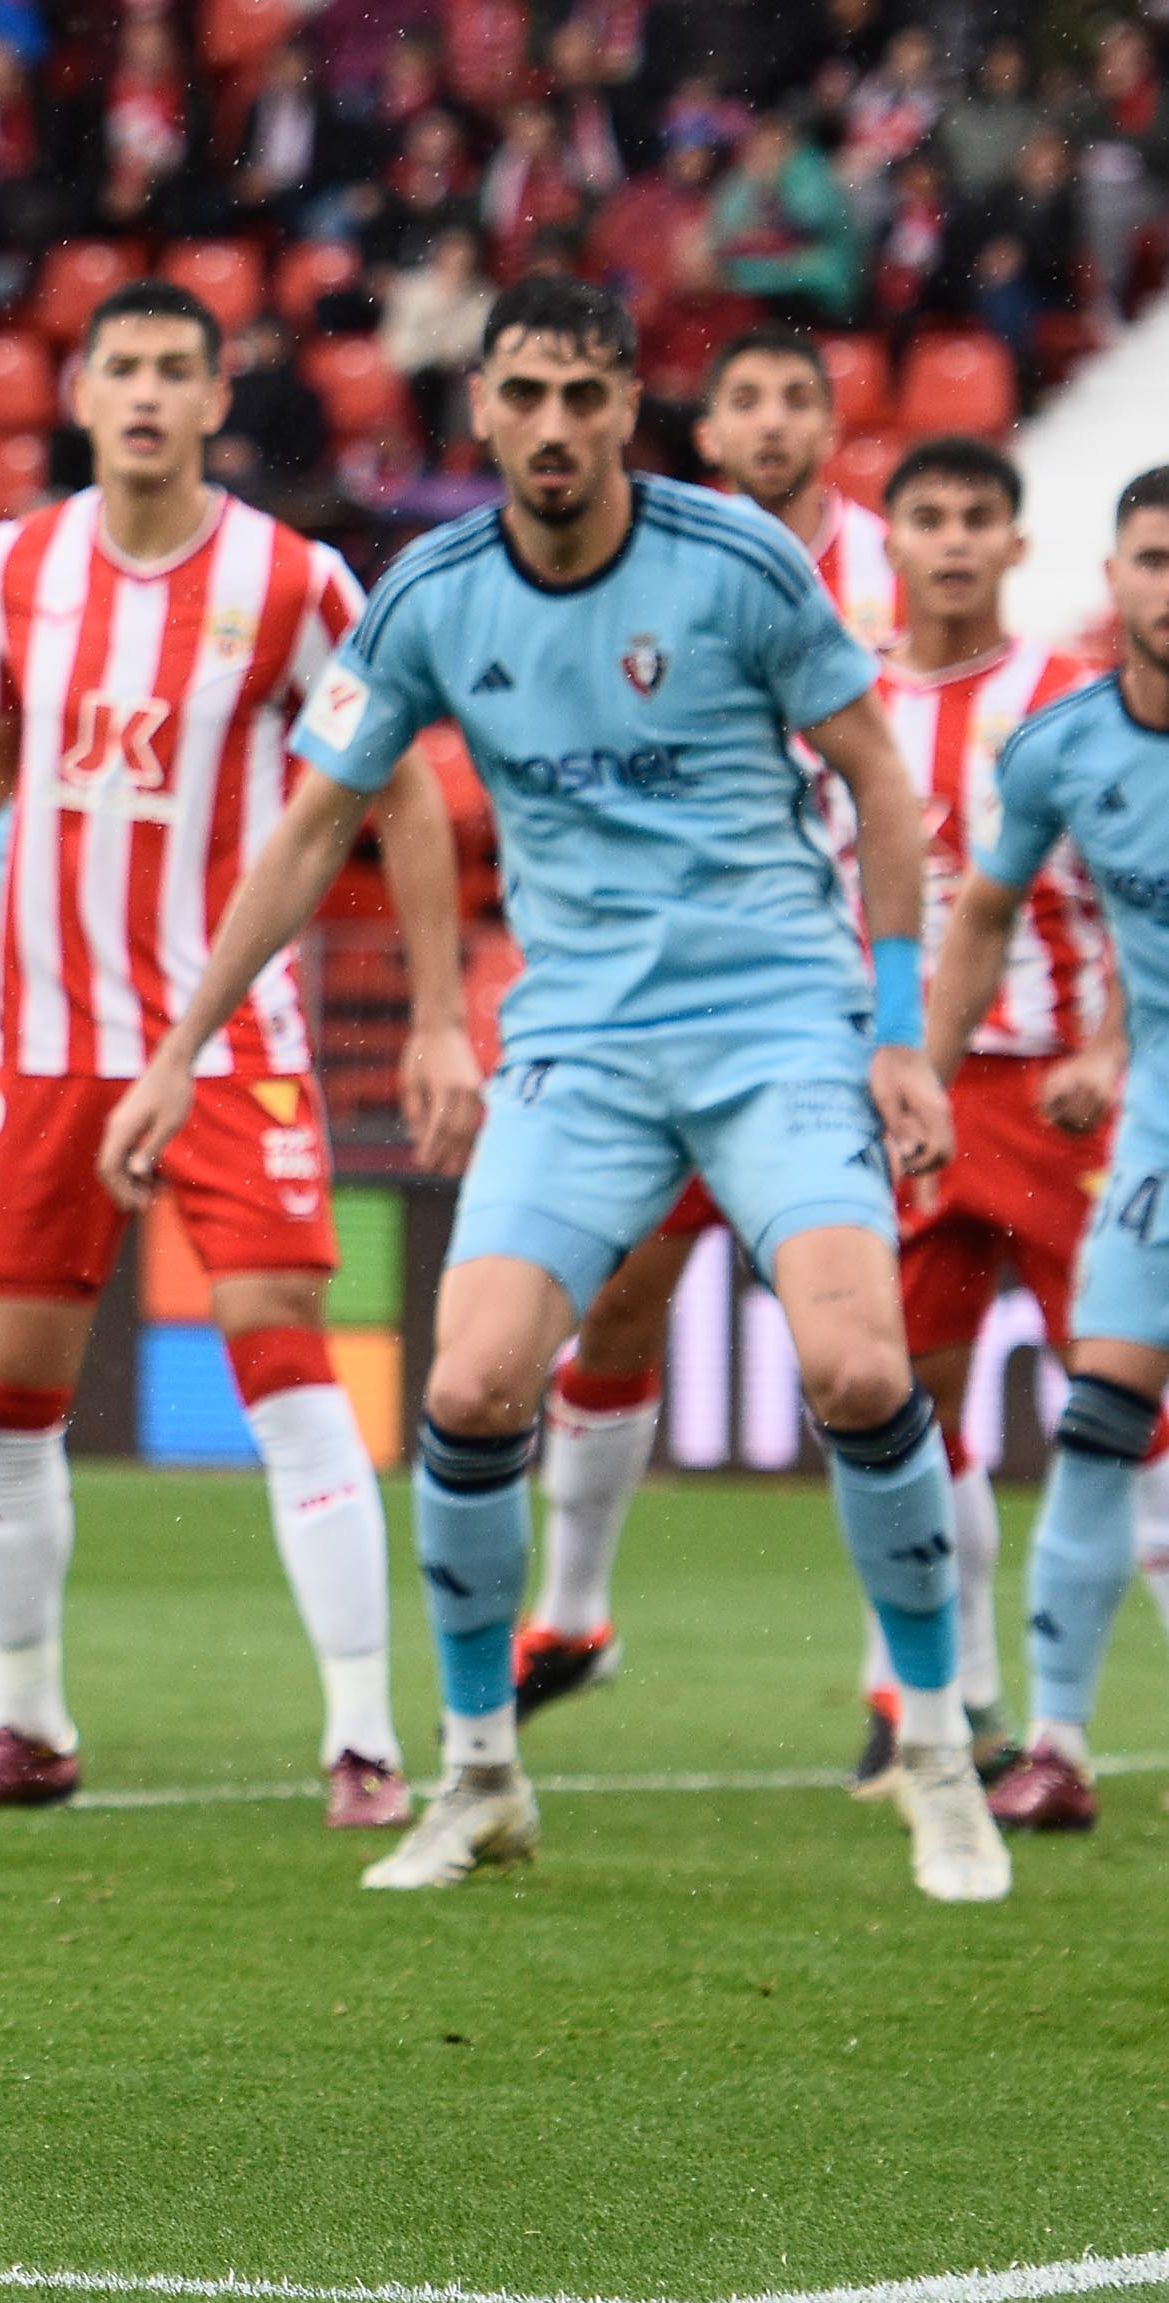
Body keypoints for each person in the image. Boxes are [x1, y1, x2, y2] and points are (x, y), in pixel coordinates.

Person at [103, 275, 1010, 1905]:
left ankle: (939, 1750)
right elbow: (310, 828)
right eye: (523, 394)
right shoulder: (430, 594)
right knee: (469, 1390)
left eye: (585, 396)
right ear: (482, 408)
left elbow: (881, 778)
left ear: (624, 412)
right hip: (579, 1045)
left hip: (773, 1024)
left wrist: (891, 1030)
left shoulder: (736, 563)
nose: (553, 426)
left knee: (859, 1367)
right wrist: (180, 1047)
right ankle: (479, 1775)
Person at [0, 281, 466, 1825]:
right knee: (5, 1382)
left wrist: (439, 1014)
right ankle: (27, 1724)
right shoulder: (15, 567)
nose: (141, 391)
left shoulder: (294, 579)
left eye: (171, 368)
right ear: (79, 391)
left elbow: (393, 786)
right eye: (117, 364)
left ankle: (362, 1738)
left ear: (211, 397)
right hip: (48, 1040)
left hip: (229, 1037)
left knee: (281, 1356)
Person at [508, 323, 927, 1778]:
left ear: (829, 423)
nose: (769, 421)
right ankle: (570, 1617)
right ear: (705, 426)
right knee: (620, 1300)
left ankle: (899, 1686)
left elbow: (922, 766)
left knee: (870, 1346)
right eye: (743, 398)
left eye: (795, 398)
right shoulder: (656, 566)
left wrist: (906, 1009)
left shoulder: (892, 573)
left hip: (825, 1007)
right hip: (668, 1002)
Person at [933, 469, 1169, 1838]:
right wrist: (918, 1069)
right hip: (1154, 1134)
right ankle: (1057, 1743)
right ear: (1112, 575)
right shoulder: (1059, 748)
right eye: (1154, 559)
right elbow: (981, 911)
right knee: (1099, 1420)